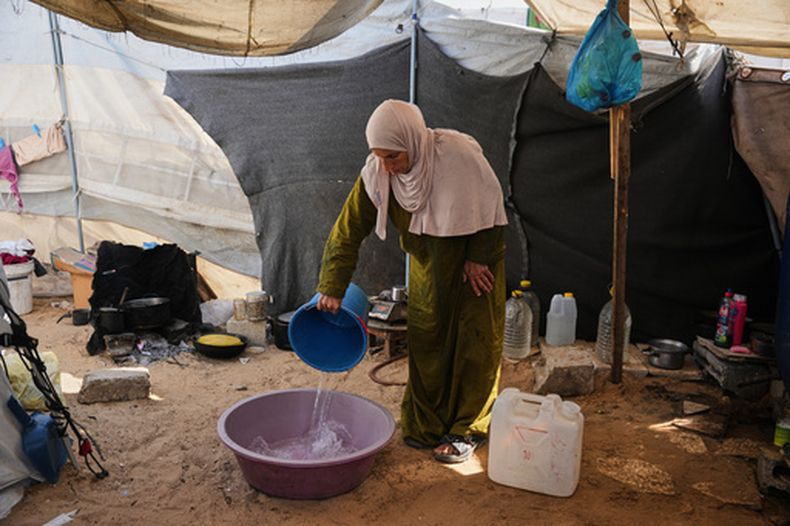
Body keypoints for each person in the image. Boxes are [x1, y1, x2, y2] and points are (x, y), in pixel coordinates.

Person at [316, 100, 507, 464]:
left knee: (474, 344)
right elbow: (347, 230)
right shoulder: (378, 171)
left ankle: (468, 428)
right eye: (379, 157)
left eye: (393, 157)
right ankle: (427, 423)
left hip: (473, 267)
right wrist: (332, 286)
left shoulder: (458, 156)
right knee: (428, 343)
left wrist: (479, 257)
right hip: (427, 266)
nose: (386, 167)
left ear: (412, 142)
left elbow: (492, 205)